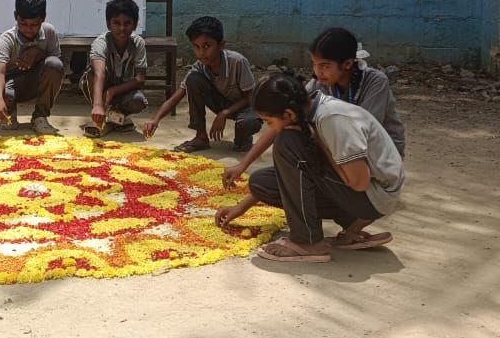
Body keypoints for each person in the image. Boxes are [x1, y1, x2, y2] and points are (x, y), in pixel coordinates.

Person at [215, 71, 405, 263]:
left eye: (269, 122)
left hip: (374, 197)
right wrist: (240, 208)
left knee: (287, 141)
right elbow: (290, 173)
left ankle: (308, 242)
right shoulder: (305, 109)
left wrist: (318, 143)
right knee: (261, 183)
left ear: (288, 114)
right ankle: (350, 222)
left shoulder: (333, 119)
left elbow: (359, 182)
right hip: (359, 193)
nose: (270, 127)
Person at [222, 27, 407, 207]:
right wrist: (243, 164)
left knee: (301, 145)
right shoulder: (321, 83)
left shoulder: (375, 82)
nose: (318, 72)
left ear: (348, 64)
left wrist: (315, 140)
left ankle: (339, 215)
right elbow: (280, 118)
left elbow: (360, 134)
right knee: (289, 139)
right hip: (342, 148)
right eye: (314, 64)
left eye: (324, 66)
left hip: (374, 157)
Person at [142, 16, 262, 152]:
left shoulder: (238, 62)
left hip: (246, 107)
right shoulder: (199, 66)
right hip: (222, 103)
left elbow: (250, 98)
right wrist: (155, 119)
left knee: (248, 124)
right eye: (196, 47)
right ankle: (201, 137)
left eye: (207, 46)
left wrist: (223, 113)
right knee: (193, 80)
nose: (201, 53)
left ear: (221, 45)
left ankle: (243, 138)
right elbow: (177, 96)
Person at [0, 0, 64, 135]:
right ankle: (9, 114)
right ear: (16, 17)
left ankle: (40, 116)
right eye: (23, 24)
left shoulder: (49, 32)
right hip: (9, 83)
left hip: (33, 82)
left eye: (34, 25)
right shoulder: (7, 38)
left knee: (55, 64)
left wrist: (37, 53)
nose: (28, 29)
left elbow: (55, 66)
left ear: (43, 19)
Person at [82, 0, 148, 137]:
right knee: (93, 73)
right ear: (108, 24)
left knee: (138, 101)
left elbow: (140, 78)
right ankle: (105, 116)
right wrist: (98, 105)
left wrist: (113, 91)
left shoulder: (138, 43)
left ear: (135, 25)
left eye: (127, 23)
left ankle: (112, 118)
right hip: (99, 88)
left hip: (122, 89)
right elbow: (99, 74)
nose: (122, 28)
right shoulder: (101, 42)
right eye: (116, 23)